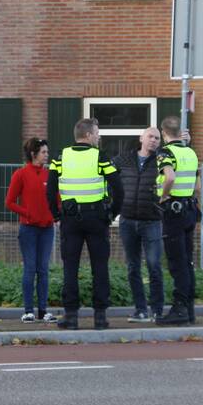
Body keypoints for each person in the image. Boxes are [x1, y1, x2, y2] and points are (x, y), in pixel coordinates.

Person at [47, 118, 124, 330]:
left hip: (70, 220)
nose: (99, 137)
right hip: (97, 219)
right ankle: (100, 317)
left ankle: (71, 317)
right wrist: (112, 213)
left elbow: (50, 190)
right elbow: (118, 189)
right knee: (99, 267)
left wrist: (56, 215)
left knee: (70, 268)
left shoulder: (60, 157)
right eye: (97, 133)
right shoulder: (99, 157)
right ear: (88, 135)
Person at [112, 127, 164, 323]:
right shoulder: (124, 160)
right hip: (127, 220)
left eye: (157, 138)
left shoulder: (162, 160)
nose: (153, 140)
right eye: (150, 136)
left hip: (151, 221)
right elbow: (109, 178)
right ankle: (140, 310)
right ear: (141, 138)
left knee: (154, 265)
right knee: (133, 267)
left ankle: (157, 310)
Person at [155, 116, 201, 326]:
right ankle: (189, 309)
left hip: (173, 212)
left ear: (164, 133)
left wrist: (164, 195)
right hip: (189, 209)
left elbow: (170, 177)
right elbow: (198, 186)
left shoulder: (166, 152)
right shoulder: (191, 152)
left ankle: (179, 309)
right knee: (187, 260)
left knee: (176, 262)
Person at [6, 138, 58, 324]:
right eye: (43, 152)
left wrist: (56, 216)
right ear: (33, 154)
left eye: (47, 151)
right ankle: (28, 311)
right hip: (28, 229)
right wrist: (27, 213)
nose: (47, 155)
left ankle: (43, 311)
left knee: (43, 269)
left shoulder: (50, 174)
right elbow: (9, 202)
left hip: (47, 229)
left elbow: (56, 199)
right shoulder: (20, 174)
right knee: (30, 269)